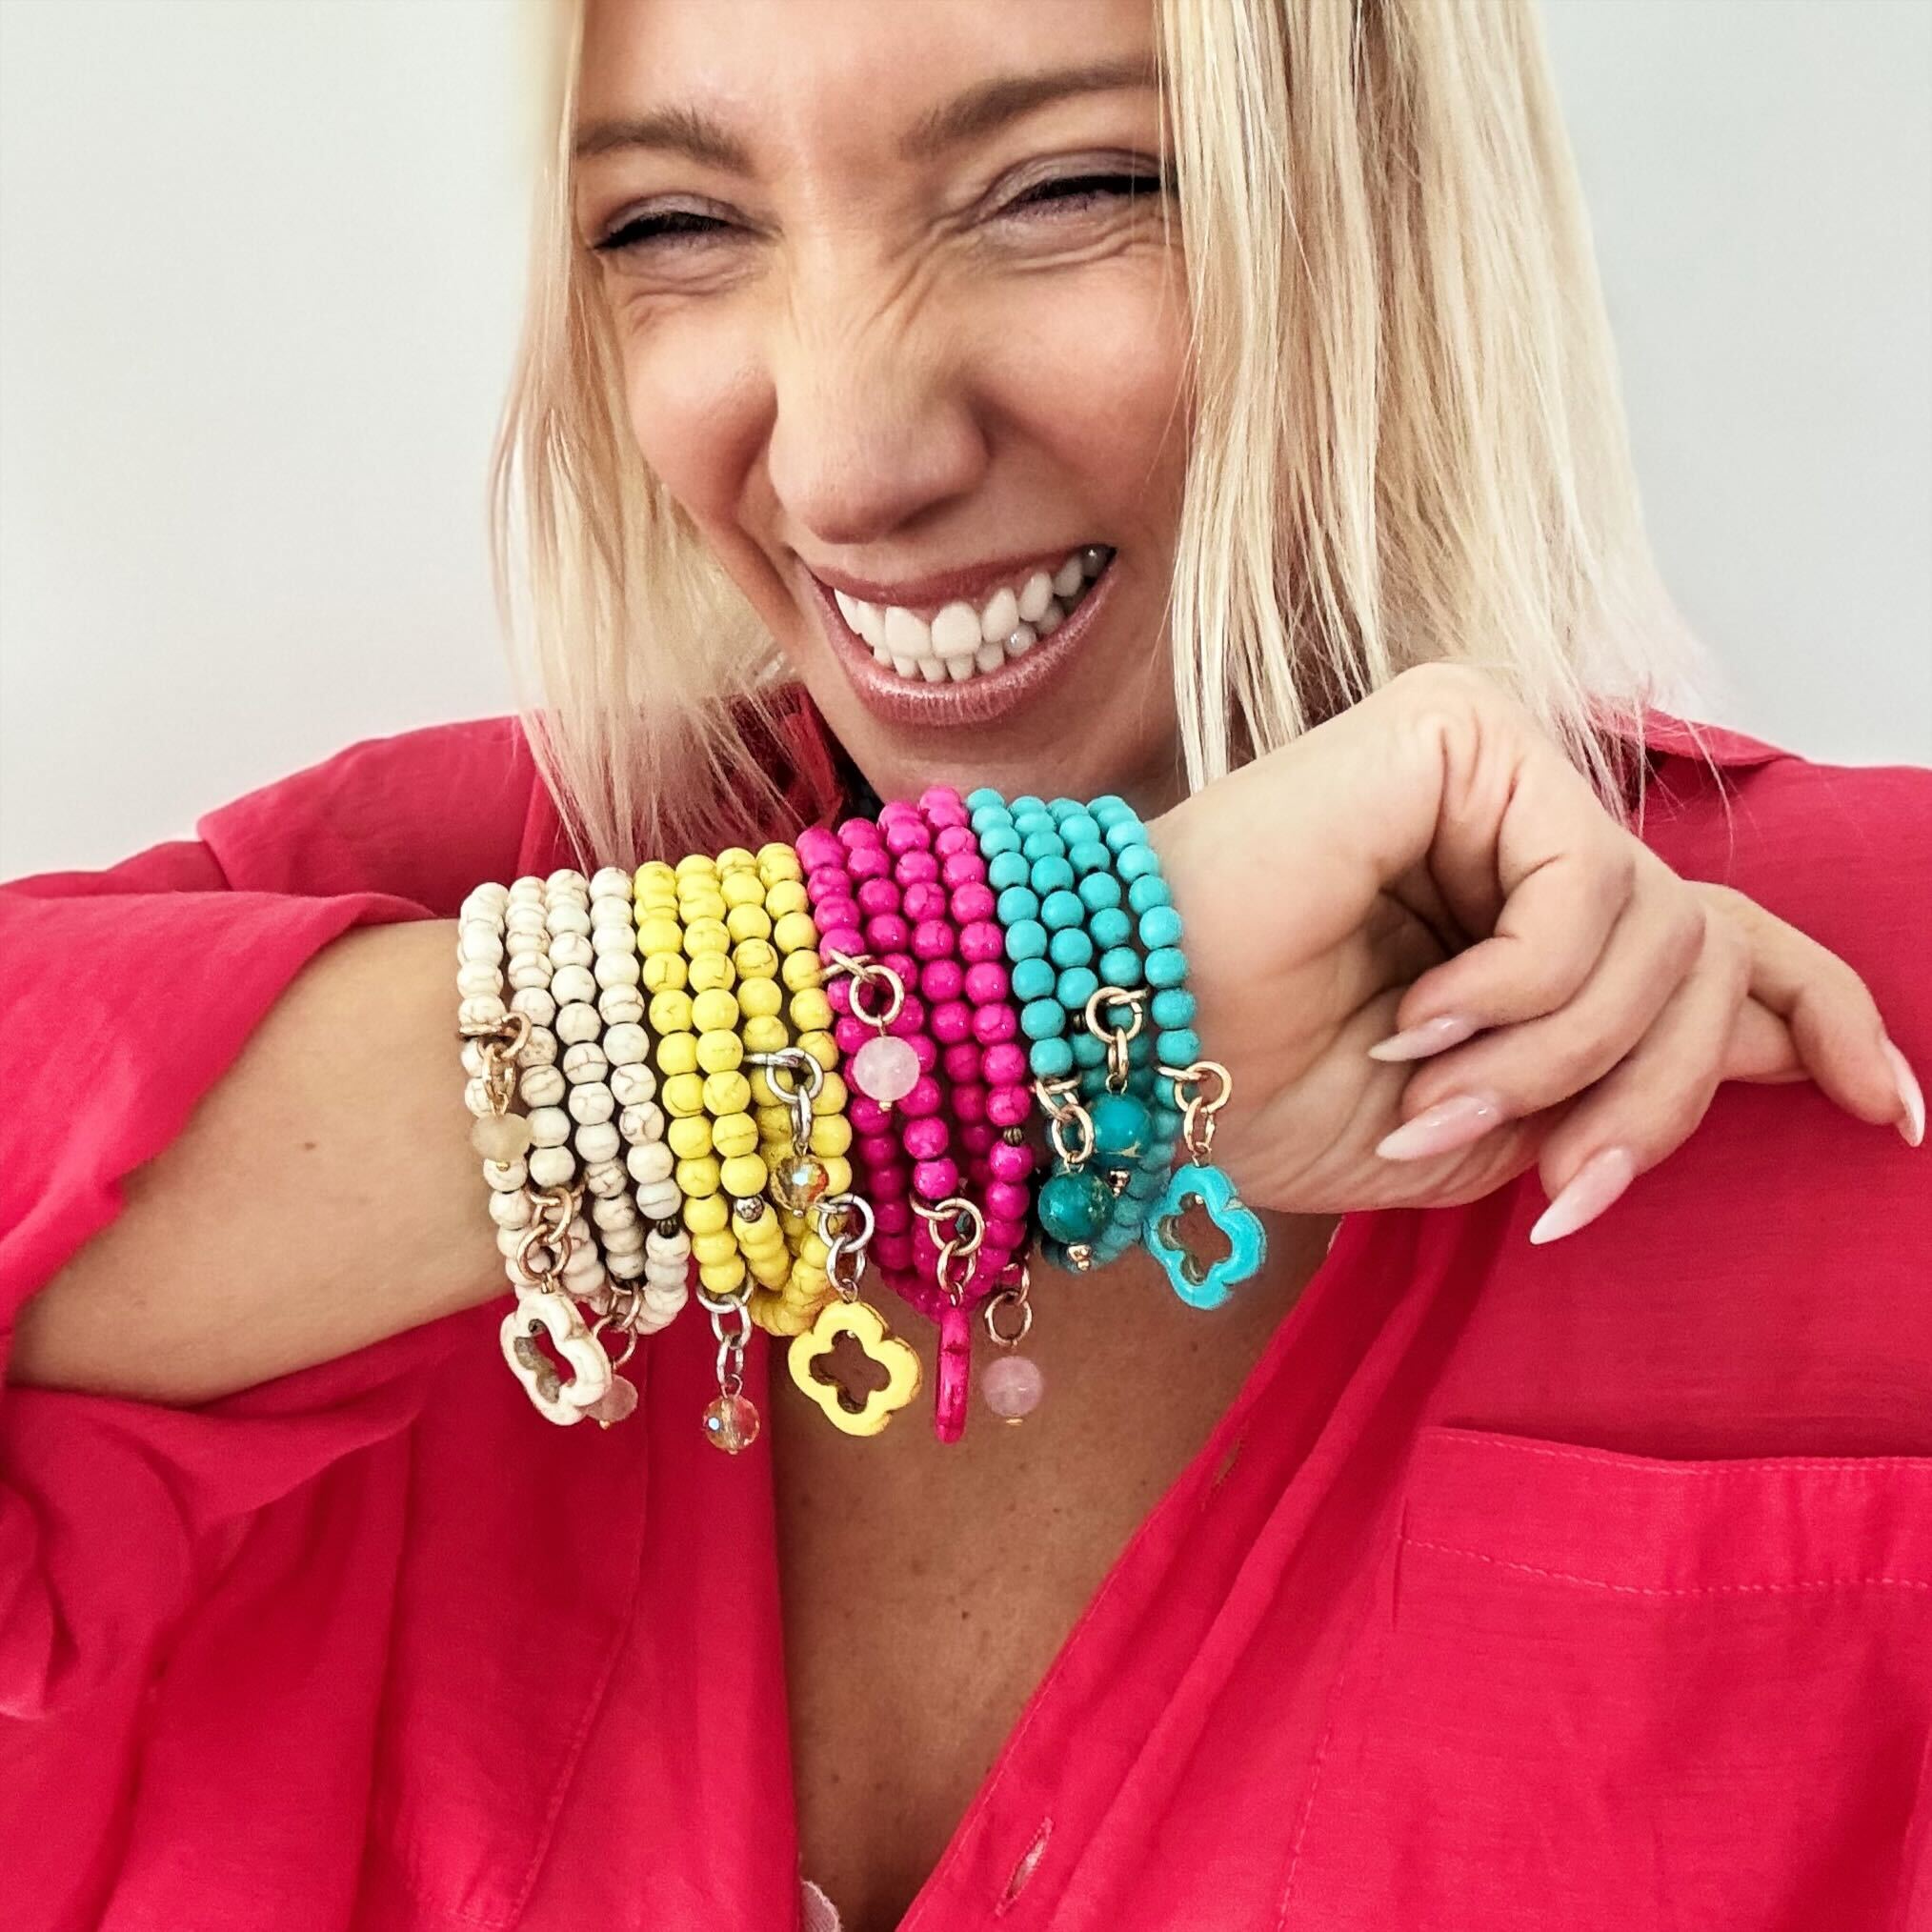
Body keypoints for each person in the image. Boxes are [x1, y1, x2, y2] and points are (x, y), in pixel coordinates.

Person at [1, 2, 1925, 1928]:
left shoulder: (1854, 1002)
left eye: (1068, 189)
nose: (850, 465)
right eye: (674, 225)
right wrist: (1028, 983)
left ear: (1385, 190)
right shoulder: (412, 903)